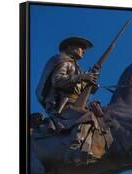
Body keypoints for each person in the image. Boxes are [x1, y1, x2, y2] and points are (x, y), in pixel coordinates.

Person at [36, 36, 100, 164]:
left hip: (76, 104)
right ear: (70, 47)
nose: (84, 51)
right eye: (81, 47)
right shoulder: (64, 62)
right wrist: (82, 77)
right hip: (63, 105)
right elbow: (58, 81)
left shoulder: (76, 67)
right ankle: (75, 148)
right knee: (88, 116)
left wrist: (90, 84)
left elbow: (79, 89)